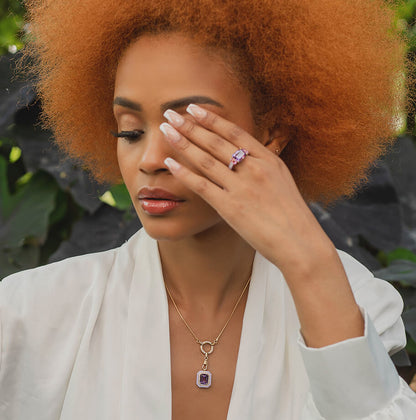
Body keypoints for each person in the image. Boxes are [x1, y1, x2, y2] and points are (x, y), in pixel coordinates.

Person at [1, 0, 416, 418]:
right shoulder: (29, 315)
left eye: (188, 129)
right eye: (130, 131)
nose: (150, 159)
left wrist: (309, 261)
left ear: (272, 134)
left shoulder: (356, 304)